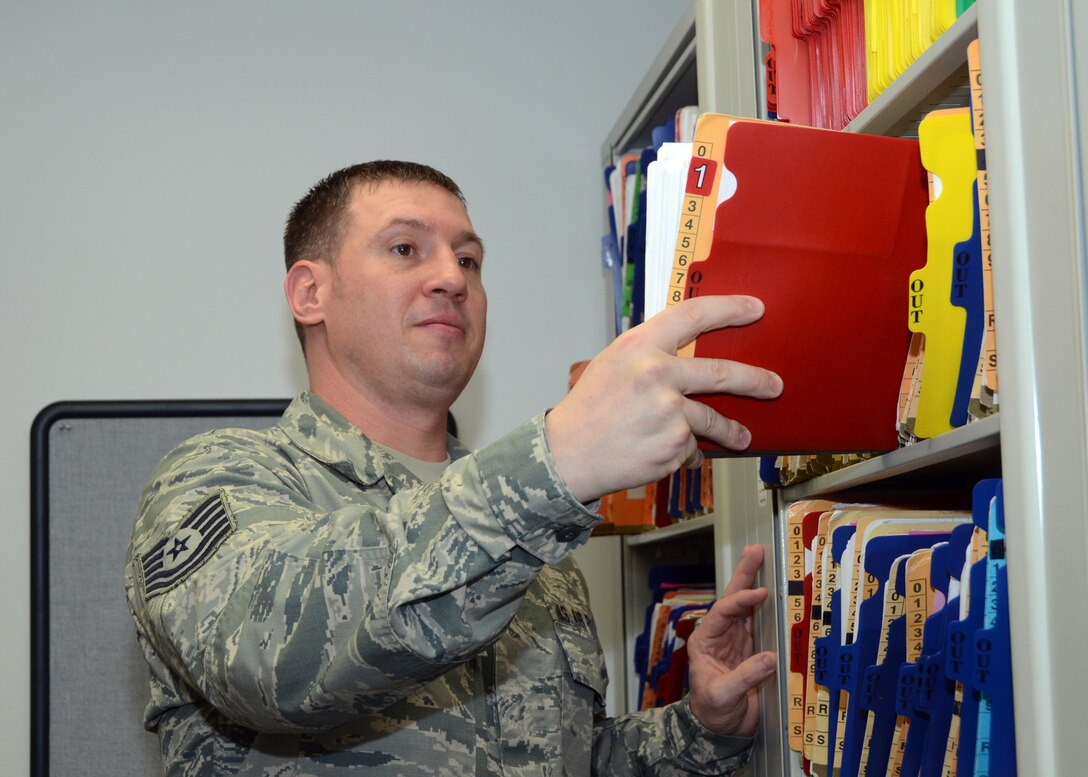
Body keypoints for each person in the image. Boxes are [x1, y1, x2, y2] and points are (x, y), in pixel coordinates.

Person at [124, 160, 784, 775]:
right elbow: (268, 657)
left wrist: (702, 725)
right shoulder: (217, 479)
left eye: (468, 258)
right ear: (309, 292)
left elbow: (575, 758)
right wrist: (550, 464)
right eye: (406, 248)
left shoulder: (541, 541)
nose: (452, 277)